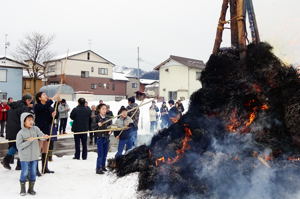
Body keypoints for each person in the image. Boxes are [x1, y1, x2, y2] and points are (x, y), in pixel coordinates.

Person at [16, 112, 49, 196]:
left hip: (34, 156)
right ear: (24, 121)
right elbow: (19, 146)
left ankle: (31, 189)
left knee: (33, 173)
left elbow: (41, 135)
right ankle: (22, 189)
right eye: (29, 120)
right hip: (25, 157)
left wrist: (44, 137)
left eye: (32, 120)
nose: (31, 121)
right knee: (24, 172)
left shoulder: (35, 128)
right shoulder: (20, 133)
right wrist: (28, 141)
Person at [1, 94, 33, 170]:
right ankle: (14, 163)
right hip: (18, 129)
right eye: (30, 101)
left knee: (15, 146)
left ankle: (8, 161)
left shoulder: (13, 105)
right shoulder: (24, 108)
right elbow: (25, 120)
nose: (30, 103)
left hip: (10, 128)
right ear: (27, 100)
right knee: (21, 146)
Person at [34, 92, 59, 174]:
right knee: (38, 150)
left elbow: (49, 120)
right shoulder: (37, 106)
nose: (46, 96)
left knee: (45, 149)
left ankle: (45, 168)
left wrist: (53, 116)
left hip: (47, 130)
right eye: (44, 95)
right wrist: (52, 99)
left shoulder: (48, 107)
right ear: (39, 98)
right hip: (39, 130)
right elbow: (43, 108)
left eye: (46, 95)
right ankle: (35, 169)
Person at [95, 104, 112, 174]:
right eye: (103, 109)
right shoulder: (96, 118)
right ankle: (98, 168)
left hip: (106, 138)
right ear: (99, 110)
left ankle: (103, 166)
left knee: (105, 154)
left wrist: (111, 130)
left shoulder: (108, 118)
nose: (105, 110)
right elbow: (92, 127)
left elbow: (111, 126)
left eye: (105, 109)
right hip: (100, 138)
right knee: (100, 154)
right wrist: (97, 125)